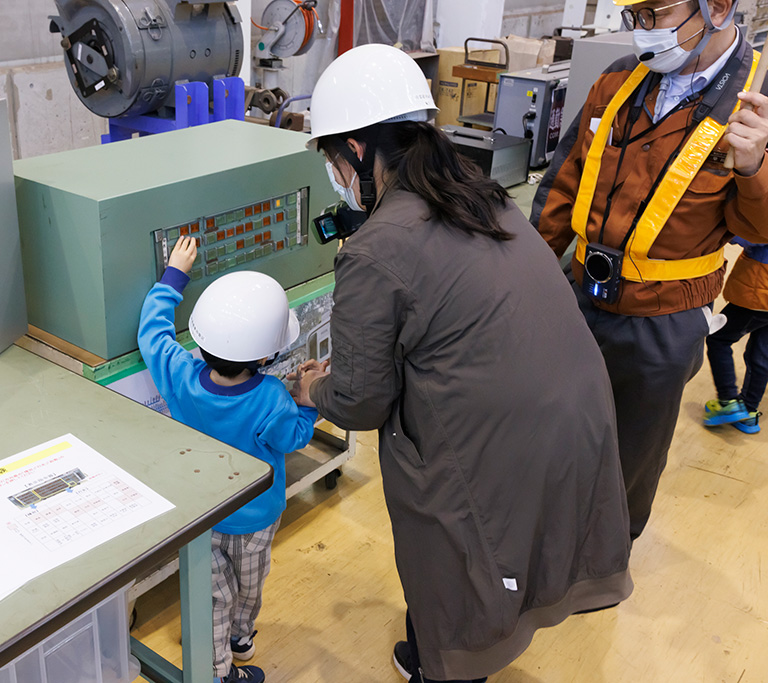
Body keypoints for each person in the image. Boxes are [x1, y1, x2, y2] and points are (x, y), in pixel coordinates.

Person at [289, 44, 633, 683]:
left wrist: (315, 388)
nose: (334, 174)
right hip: (576, 418)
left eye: (332, 158)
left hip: (500, 441)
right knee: (510, 553)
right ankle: (432, 649)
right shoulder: (481, 197)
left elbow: (362, 403)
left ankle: (449, 668)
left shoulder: (377, 249)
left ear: (358, 151)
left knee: (453, 550)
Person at [531, 0, 768, 540]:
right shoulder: (618, 81)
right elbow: (561, 186)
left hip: (663, 320)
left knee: (630, 456)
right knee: (559, 428)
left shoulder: (757, 102)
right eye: (630, 17)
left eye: (652, 14)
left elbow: (761, 230)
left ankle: (606, 561)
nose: (639, 33)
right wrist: (529, 282)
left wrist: (755, 168)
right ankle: (552, 535)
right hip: (578, 300)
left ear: (718, 7)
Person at [138, 236, 318, 683]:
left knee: (212, 595)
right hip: (256, 521)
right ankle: (225, 664)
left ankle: (226, 650)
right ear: (264, 354)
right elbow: (294, 437)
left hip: (202, 516)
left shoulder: (180, 376)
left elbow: (152, 333)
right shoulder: (273, 399)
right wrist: (309, 400)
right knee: (248, 589)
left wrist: (174, 275)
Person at [703, 237, 768, 433]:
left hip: (759, 292)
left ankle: (728, 400)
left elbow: (750, 233)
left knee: (718, 338)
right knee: (761, 354)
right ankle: (748, 411)